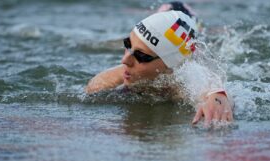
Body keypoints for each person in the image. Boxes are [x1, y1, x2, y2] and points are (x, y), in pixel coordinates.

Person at [85, 10, 234, 126]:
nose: (125, 60)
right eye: (127, 44)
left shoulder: (183, 82)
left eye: (141, 56)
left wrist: (219, 97)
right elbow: (92, 87)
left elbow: (212, 87)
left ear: (170, 67)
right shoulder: (126, 70)